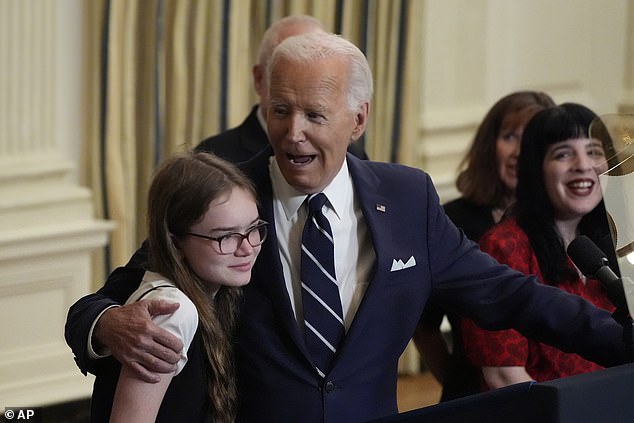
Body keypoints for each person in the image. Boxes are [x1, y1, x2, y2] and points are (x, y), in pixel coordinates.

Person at [66, 33, 629, 423]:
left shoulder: (407, 198)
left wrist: (624, 341)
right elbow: (105, 300)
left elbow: (509, 294)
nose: (293, 134)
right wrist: (108, 324)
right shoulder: (226, 198)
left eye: (314, 115)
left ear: (358, 119)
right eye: (280, 111)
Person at [90, 152, 265, 422]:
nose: (247, 248)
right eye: (226, 236)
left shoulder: (216, 292)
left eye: (253, 229)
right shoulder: (173, 311)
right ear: (176, 243)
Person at [461, 103, 620, 390]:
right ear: (536, 169)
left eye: (594, 151)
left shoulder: (616, 241)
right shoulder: (503, 247)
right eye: (563, 154)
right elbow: (504, 378)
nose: (583, 164)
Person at [413, 91, 556, 401]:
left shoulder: (565, 222)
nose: (520, 151)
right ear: (488, 146)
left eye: (532, 139)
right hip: (476, 400)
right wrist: (457, 381)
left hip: (554, 392)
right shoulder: (450, 221)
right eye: (509, 137)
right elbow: (425, 328)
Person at [194, 14, 368, 162]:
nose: (294, 134)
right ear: (259, 78)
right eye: (285, 66)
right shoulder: (214, 159)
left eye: (318, 66)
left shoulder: (353, 157)